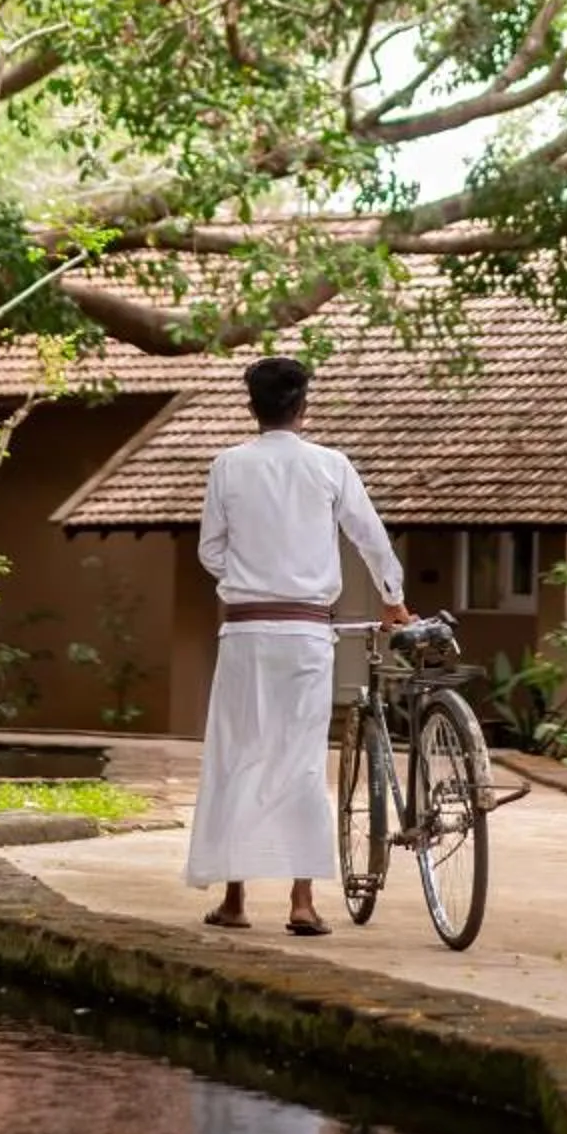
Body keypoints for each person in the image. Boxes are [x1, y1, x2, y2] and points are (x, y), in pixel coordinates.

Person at [185, 353, 408, 936]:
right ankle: (302, 902)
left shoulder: (227, 466)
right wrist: (392, 597)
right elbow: (370, 535)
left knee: (240, 757)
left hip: (245, 632)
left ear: (250, 407)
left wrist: (248, 574)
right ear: (303, 407)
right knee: (302, 762)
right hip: (308, 633)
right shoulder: (331, 466)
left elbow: (210, 550)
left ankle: (235, 901)